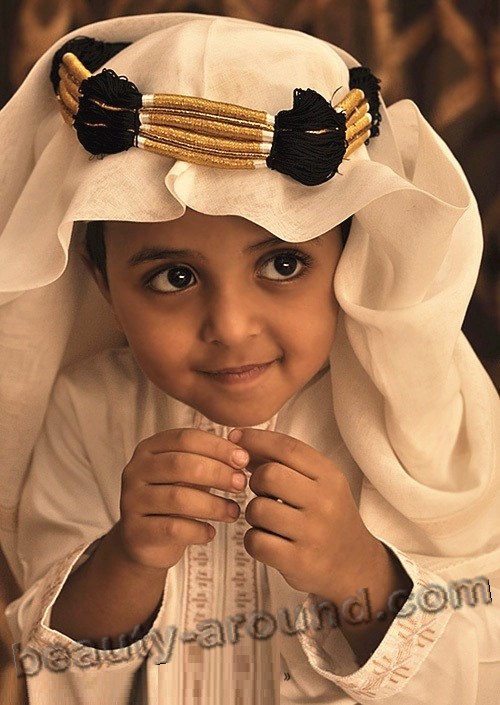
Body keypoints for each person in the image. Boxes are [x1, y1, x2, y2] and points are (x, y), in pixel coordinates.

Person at [0, 12, 498, 705]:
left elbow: (483, 662)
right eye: (173, 277)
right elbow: (53, 662)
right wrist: (127, 556)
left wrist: (360, 573)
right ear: (103, 285)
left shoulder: (418, 424)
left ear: (351, 257)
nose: (231, 328)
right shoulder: (87, 409)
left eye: (284, 263)